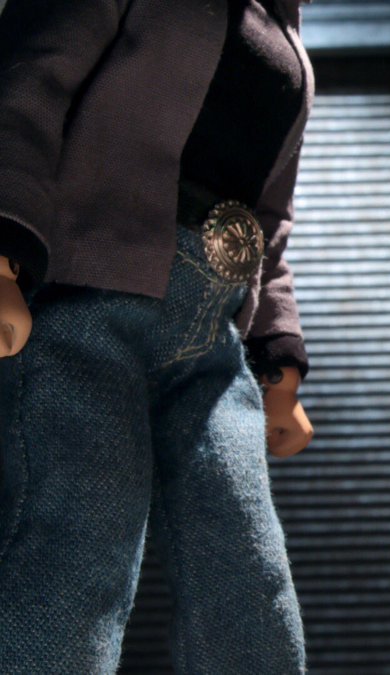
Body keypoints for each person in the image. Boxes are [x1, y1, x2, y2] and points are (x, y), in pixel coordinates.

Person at [0, 0, 315, 671]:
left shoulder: (284, 26)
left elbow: (271, 222)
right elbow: (28, 88)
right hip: (87, 292)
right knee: (77, 549)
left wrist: (279, 364)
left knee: (247, 567)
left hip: (214, 335)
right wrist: (4, 251)